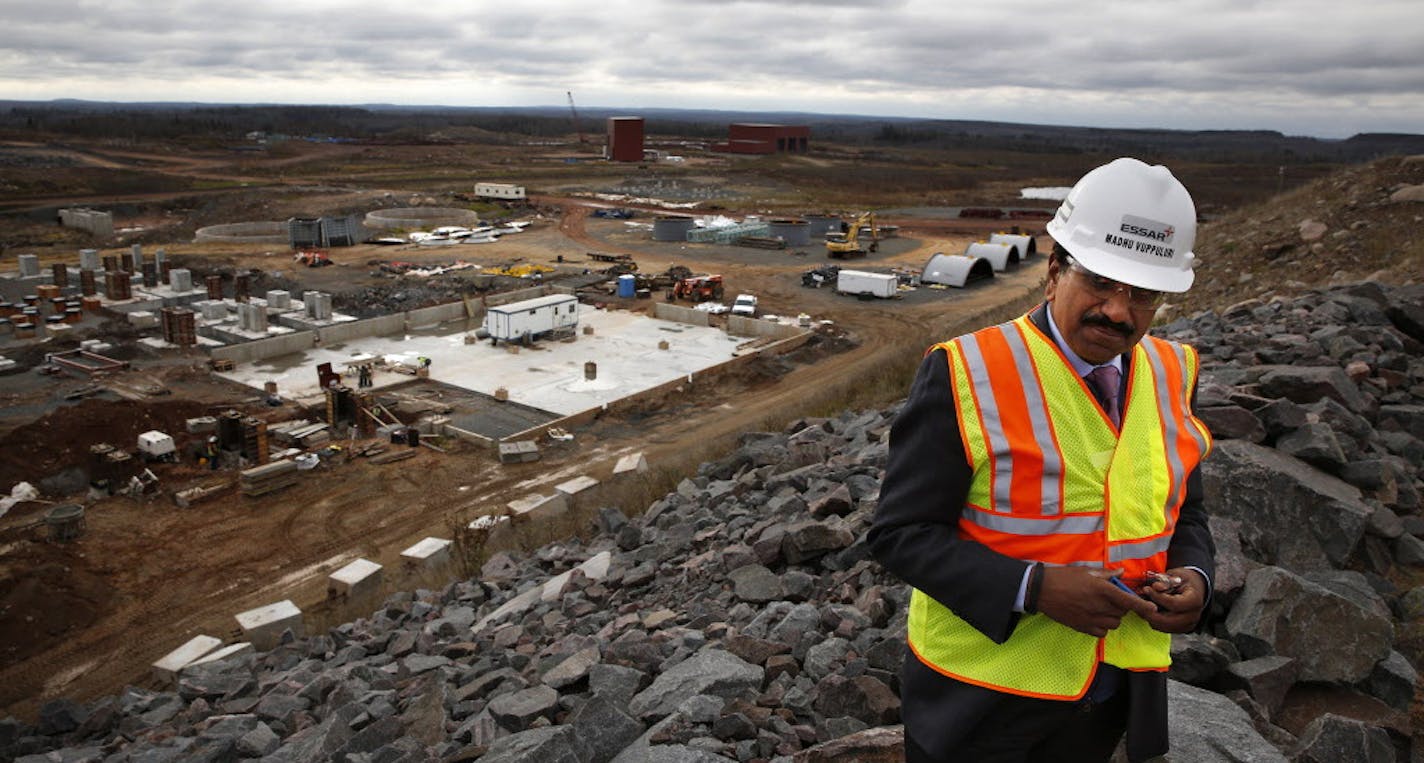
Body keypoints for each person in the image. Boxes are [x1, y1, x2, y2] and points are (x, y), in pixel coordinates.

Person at [869, 158, 1215, 762]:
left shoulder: (1171, 373)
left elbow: (1185, 514)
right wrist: (1034, 588)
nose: (1117, 310)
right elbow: (900, 534)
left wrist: (1196, 581)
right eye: (1100, 282)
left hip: (1113, 693)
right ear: (1054, 271)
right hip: (980, 704)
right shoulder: (964, 372)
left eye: (1141, 295)